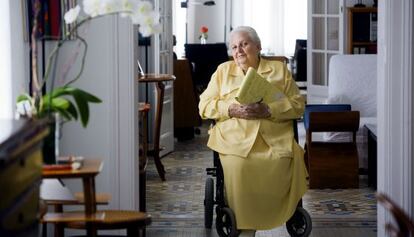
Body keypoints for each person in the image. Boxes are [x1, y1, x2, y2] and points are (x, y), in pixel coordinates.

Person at [198, 26, 308, 236]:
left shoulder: (279, 70)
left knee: (283, 161)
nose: (239, 50)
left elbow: (298, 104)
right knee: (238, 165)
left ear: (257, 46)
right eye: (234, 47)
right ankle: (245, 224)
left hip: (274, 137)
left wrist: (269, 109)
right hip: (234, 138)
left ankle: (279, 213)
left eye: (244, 44)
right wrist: (230, 109)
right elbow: (204, 105)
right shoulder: (223, 71)